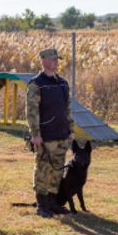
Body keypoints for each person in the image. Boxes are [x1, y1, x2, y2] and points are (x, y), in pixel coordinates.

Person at [26, 48, 74, 218]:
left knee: (58, 170)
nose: (56, 61)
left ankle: (53, 202)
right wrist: (35, 134)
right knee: (43, 170)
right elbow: (32, 112)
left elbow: (66, 108)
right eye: (52, 59)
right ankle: (41, 205)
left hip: (61, 134)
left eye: (57, 59)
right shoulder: (36, 84)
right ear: (43, 61)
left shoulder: (62, 83)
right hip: (46, 135)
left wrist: (70, 130)